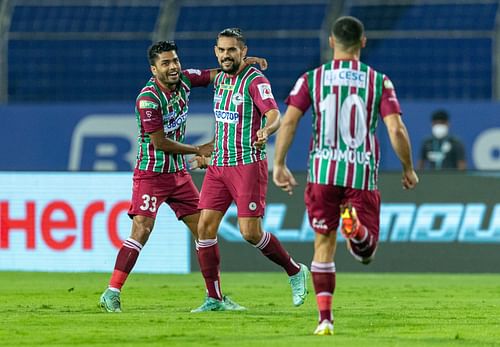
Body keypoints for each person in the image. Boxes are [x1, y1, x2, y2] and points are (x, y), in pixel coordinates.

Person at [272, 16, 419, 335]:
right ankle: (356, 230)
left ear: (331, 42)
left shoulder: (312, 78)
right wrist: (407, 167)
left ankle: (325, 319)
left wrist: (279, 163)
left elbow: (289, 122)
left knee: (323, 243)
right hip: (361, 173)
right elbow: (396, 128)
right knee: (366, 253)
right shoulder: (379, 81)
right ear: (363, 42)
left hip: (322, 172)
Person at [99, 40, 267, 313]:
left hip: (178, 175)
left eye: (175, 60)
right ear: (154, 70)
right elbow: (159, 142)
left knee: (205, 230)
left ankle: (215, 298)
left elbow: (219, 73)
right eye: (165, 63)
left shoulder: (186, 80)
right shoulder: (148, 99)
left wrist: (245, 63)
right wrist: (198, 149)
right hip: (151, 174)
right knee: (142, 229)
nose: (173, 67)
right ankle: (112, 292)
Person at [190, 28, 309, 313]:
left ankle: (295, 271)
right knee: (204, 228)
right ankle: (214, 298)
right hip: (219, 164)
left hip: (247, 164)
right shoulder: (218, 78)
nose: (225, 54)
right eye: (221, 49)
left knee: (250, 233)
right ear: (215, 51)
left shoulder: (255, 80)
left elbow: (274, 113)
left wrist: (266, 130)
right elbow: (186, 76)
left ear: (242, 51)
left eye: (232, 50)